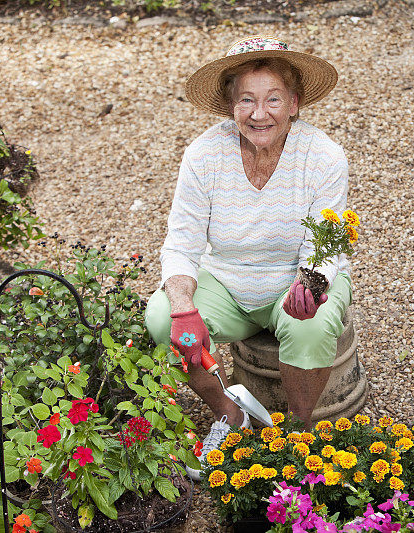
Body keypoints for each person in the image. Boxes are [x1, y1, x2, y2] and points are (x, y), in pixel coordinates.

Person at [145, 35, 352, 479]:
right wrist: (183, 308)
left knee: (312, 325)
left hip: (295, 276)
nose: (260, 114)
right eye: (247, 100)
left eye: (273, 98)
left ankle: (298, 435)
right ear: (230, 105)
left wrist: (312, 284)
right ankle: (228, 413)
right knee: (163, 319)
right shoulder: (203, 155)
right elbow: (181, 242)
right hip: (227, 279)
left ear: (294, 103)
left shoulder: (324, 156)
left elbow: (326, 242)